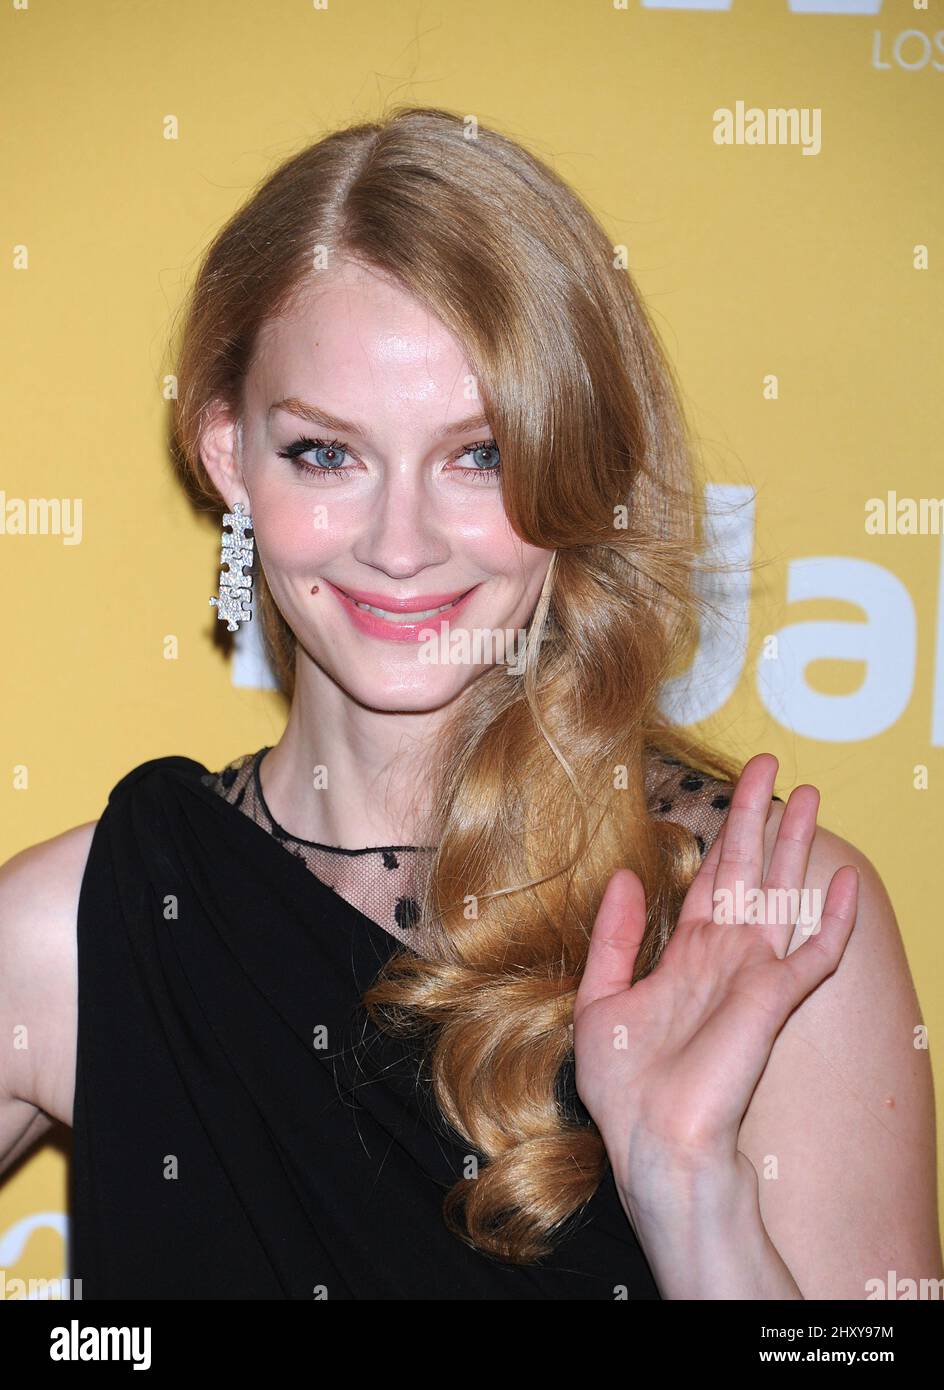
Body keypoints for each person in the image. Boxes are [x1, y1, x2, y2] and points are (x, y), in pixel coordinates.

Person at [1, 105, 940, 1301]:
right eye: (324, 453)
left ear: (574, 461)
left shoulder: (758, 925)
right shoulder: (74, 935)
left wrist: (693, 1198)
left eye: (478, 455)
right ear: (229, 453)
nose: (399, 544)